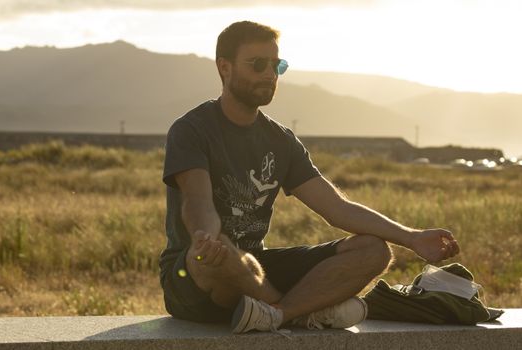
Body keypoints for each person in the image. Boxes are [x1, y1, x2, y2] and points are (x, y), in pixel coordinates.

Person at [159, 20, 460, 335]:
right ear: (225, 67)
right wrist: (204, 237)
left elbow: (336, 208)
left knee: (374, 249)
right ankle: (299, 313)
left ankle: (277, 313)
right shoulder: (192, 129)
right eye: (258, 64)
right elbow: (197, 201)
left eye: (278, 65)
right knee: (220, 251)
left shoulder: (280, 140)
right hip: (197, 274)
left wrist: (412, 238)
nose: (269, 74)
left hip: (255, 271)